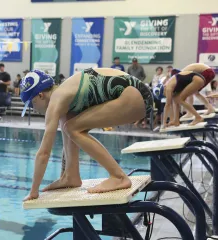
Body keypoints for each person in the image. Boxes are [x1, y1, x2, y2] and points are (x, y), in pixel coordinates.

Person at [20, 68, 153, 201]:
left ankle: (118, 177)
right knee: (68, 123)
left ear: (40, 95)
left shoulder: (56, 100)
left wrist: (33, 191)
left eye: (32, 105)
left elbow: (44, 153)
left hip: (136, 95)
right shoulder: (64, 93)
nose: (34, 110)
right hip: (137, 93)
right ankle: (70, 176)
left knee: (72, 128)